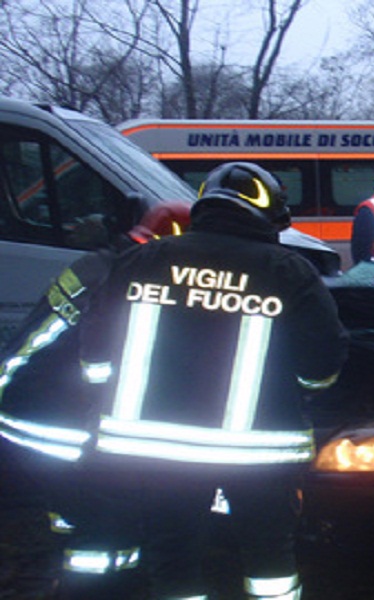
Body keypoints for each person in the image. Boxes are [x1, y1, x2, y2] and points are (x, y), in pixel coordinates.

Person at [76, 162, 349, 599]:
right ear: (270, 217)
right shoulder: (289, 271)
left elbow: (94, 353)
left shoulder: (142, 260)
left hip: (155, 449)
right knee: (269, 559)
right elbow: (321, 366)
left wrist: (108, 399)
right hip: (260, 455)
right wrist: (298, 390)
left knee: (174, 554)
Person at [0, 201, 191, 598]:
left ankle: (58, 565)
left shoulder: (95, 265)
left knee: (70, 515)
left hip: (31, 413)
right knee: (108, 533)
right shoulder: (133, 279)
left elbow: (34, 339)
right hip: (63, 427)